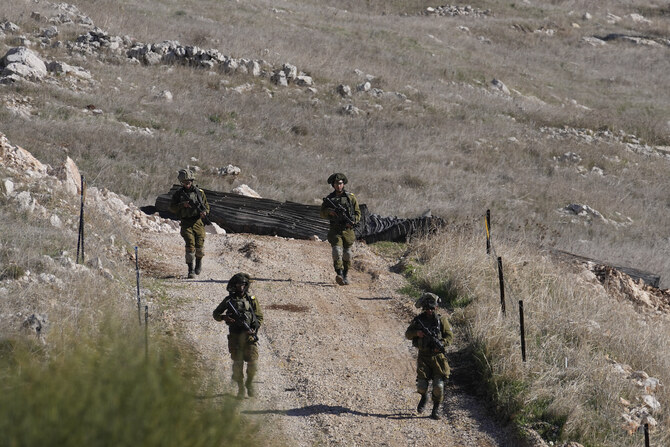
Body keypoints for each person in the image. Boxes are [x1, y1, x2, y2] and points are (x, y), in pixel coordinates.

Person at [212, 273, 263, 398]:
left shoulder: (252, 299)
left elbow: (259, 317)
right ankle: (240, 388)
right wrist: (225, 317)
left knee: (253, 363)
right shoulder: (229, 300)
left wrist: (253, 328)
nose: (241, 287)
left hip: (249, 337)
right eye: (238, 284)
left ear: (246, 286)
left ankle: (249, 383)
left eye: (243, 284)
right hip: (235, 336)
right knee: (237, 364)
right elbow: (216, 314)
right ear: (234, 286)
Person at [405, 292, 453, 420]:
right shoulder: (419, 320)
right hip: (423, 357)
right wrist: (417, 333)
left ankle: (435, 410)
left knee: (438, 386)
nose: (429, 311)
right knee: (421, 386)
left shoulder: (442, 320)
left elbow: (449, 336)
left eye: (432, 308)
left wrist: (442, 343)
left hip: (438, 358)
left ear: (436, 308)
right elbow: (408, 334)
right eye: (427, 309)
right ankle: (424, 396)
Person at [319, 173, 361, 285]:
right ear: (333, 185)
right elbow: (322, 213)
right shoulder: (329, 199)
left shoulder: (350, 197)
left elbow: (358, 213)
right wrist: (330, 212)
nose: (339, 186)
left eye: (340, 183)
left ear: (343, 184)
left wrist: (353, 221)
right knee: (337, 251)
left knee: (347, 254)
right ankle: (339, 274)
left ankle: (345, 275)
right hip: (335, 229)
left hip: (348, 230)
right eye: (336, 183)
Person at [168, 168, 210, 279]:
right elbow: (172, 208)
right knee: (190, 246)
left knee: (200, 247)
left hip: (198, 222)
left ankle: (198, 264)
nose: (187, 185)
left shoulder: (199, 193)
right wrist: (182, 205)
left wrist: (204, 212)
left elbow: (206, 206)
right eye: (185, 183)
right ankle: (190, 270)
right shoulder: (178, 194)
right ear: (181, 183)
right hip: (186, 222)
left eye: (189, 182)